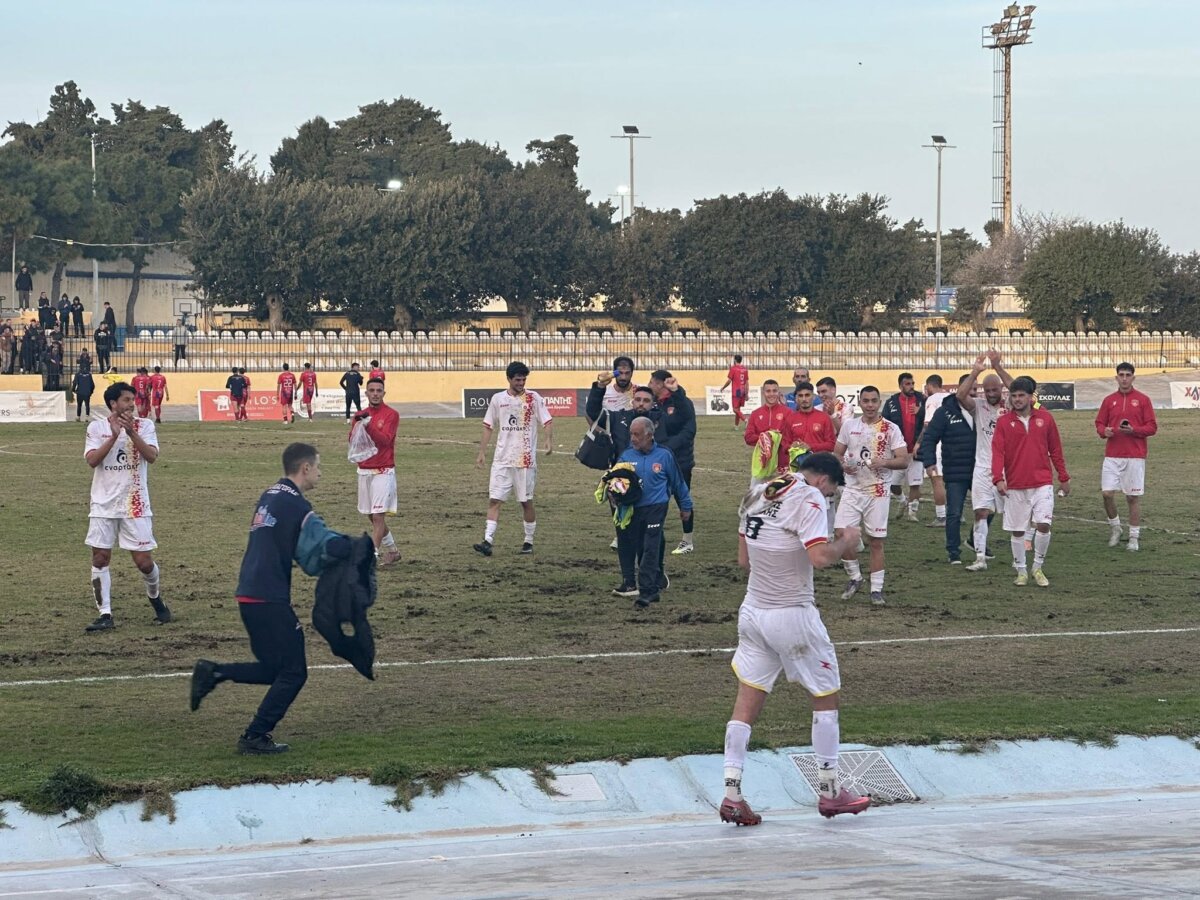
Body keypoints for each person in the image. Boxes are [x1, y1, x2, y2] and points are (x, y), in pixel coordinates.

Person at [720, 452, 871, 826]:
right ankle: (830, 791)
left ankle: (731, 793)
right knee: (825, 694)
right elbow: (820, 557)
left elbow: (745, 561)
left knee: (746, 702)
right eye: (832, 492)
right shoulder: (810, 497)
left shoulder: (758, 491)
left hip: (753, 612)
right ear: (823, 481)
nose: (830, 500)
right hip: (793, 614)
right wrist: (846, 542)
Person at [189, 442, 354, 755]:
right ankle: (255, 734)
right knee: (294, 672)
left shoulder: (270, 495)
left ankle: (215, 672)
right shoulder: (297, 506)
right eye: (318, 466)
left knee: (273, 668)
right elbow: (321, 545)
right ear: (305, 468)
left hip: (249, 593)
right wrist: (356, 548)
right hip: (269, 599)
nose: (320, 473)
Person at [83, 381, 170, 632]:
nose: (132, 404)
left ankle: (155, 597)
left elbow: (152, 457)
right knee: (100, 557)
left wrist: (131, 433)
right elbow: (92, 461)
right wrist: (113, 436)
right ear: (113, 404)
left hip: (135, 504)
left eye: (133, 400)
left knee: (144, 562)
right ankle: (105, 614)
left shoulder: (145, 425)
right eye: (126, 400)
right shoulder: (96, 427)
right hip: (103, 504)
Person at [992, 376, 1071, 587]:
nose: (1017, 400)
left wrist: (1063, 477)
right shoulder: (1003, 422)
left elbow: (1056, 450)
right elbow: (997, 452)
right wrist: (998, 478)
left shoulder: (1045, 419)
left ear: (1030, 397)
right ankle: (1021, 571)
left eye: (1021, 396)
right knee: (1018, 530)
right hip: (1016, 484)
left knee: (1044, 524)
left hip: (1042, 483)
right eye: (1014, 396)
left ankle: (1037, 567)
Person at [833, 385, 909, 606]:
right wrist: (843, 465)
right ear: (859, 402)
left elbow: (903, 459)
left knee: (875, 541)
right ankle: (855, 577)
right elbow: (836, 453)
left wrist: (884, 462)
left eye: (874, 401)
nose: (869, 405)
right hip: (853, 489)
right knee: (840, 534)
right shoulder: (849, 426)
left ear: (879, 403)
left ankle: (876, 590)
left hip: (878, 491)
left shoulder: (890, 429)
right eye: (865, 401)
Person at [474, 361, 553, 557]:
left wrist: (548, 439)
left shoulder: (533, 398)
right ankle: (488, 541)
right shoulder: (498, 399)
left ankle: (528, 541)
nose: (521, 383)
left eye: (523, 379)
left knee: (525, 502)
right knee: (494, 500)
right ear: (509, 379)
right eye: (517, 379)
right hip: (502, 459)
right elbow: (488, 426)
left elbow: (547, 420)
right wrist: (482, 452)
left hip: (524, 460)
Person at [614, 417, 692, 607]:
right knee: (641, 547)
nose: (632, 438)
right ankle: (653, 583)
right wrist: (615, 491)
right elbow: (614, 480)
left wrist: (685, 506)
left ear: (649, 435)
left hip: (656, 508)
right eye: (631, 434)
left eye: (637, 434)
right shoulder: (626, 456)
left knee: (650, 547)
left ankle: (647, 591)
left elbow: (678, 482)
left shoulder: (664, 455)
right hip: (634, 509)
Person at [957, 350, 1013, 570]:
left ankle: (1023, 554)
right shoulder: (978, 406)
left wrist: (997, 367)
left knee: (1015, 514)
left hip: (1008, 468)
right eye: (987, 390)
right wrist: (975, 372)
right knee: (980, 511)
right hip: (982, 467)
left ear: (1001, 389)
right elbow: (960, 396)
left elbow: (1020, 387)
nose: (990, 393)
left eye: (994, 389)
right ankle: (979, 557)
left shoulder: (1011, 404)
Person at [1095, 362, 1157, 552]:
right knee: (1107, 494)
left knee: (1132, 497)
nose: (1124, 378)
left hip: (1135, 456)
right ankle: (1115, 528)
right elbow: (1099, 423)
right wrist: (1104, 431)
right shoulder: (1108, 400)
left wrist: (1134, 431)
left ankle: (1134, 537)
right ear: (1116, 378)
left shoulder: (1143, 400)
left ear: (1133, 378)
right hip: (1112, 456)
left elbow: (1152, 427)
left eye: (1127, 375)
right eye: (1121, 375)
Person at [919, 375, 976, 564]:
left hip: (980, 470)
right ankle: (954, 552)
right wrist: (929, 462)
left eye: (976, 390)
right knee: (954, 513)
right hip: (955, 470)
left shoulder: (983, 411)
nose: (973, 393)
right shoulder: (944, 412)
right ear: (960, 390)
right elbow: (930, 437)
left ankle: (976, 540)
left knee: (988, 509)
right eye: (970, 389)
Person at [647, 369, 698, 555]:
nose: (650, 385)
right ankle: (651, 535)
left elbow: (689, 431)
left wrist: (668, 448)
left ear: (661, 384)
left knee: (683, 499)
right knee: (654, 499)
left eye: (652, 382)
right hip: (657, 462)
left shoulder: (683, 403)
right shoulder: (653, 405)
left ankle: (687, 540)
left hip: (680, 462)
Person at [351, 377, 402, 565]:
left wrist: (369, 425)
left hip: (383, 471)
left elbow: (385, 441)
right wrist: (356, 425)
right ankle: (394, 551)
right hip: (364, 471)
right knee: (371, 515)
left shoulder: (391, 415)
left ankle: (371, 556)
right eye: (371, 390)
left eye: (378, 391)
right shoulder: (359, 414)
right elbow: (353, 442)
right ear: (366, 393)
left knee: (379, 515)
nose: (375, 394)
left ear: (383, 393)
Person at [882, 372, 926, 522]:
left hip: (917, 450)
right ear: (900, 386)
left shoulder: (922, 400)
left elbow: (931, 419)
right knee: (893, 485)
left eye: (912, 383)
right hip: (898, 452)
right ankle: (902, 501)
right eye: (907, 384)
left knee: (915, 483)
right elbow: (885, 424)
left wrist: (921, 412)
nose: (911, 386)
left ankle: (912, 513)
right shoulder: (892, 402)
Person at [743, 379, 791, 485]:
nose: (771, 394)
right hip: (761, 465)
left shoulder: (788, 412)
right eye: (768, 391)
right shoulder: (755, 414)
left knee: (781, 499)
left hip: (782, 467)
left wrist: (776, 438)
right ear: (763, 393)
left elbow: (791, 438)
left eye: (774, 391)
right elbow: (748, 437)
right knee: (756, 499)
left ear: (779, 392)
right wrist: (766, 437)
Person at [920, 374, 950, 528]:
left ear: (929, 386)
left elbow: (928, 425)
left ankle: (941, 516)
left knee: (936, 480)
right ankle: (955, 513)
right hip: (952, 444)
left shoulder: (932, 400)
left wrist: (920, 443)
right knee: (951, 482)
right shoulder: (951, 397)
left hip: (938, 445)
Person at [782, 381, 836, 463]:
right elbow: (784, 446)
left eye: (807, 395)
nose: (804, 399)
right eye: (800, 396)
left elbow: (831, 445)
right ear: (796, 398)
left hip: (820, 466)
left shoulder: (824, 417)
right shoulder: (790, 419)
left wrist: (810, 446)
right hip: (798, 468)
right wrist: (791, 447)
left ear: (813, 397)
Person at [720, 354, 750, 428]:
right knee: (738, 409)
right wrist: (747, 394)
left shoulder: (733, 369)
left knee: (735, 409)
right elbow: (746, 382)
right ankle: (736, 426)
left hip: (736, 391)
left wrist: (723, 387)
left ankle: (745, 419)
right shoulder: (745, 369)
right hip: (743, 391)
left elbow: (729, 380)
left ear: (735, 360)